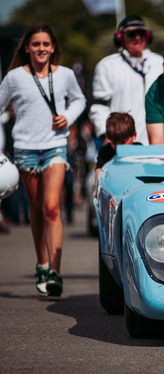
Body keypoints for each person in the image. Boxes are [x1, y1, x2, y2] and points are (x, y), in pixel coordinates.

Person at [0, 22, 86, 296]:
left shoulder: (65, 75)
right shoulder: (14, 77)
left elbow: (79, 101)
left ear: (53, 48)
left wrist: (68, 117)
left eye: (45, 44)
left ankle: (55, 274)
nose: (41, 48)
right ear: (27, 48)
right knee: (36, 211)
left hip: (55, 147)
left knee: (51, 207)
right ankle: (41, 262)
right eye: (35, 44)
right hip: (25, 149)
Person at [89, 15, 163, 145]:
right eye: (132, 34)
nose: (138, 37)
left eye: (141, 33)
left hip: (156, 143)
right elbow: (98, 106)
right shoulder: (107, 66)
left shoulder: (160, 63)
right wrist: (106, 134)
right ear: (119, 37)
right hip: (121, 144)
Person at [94, 112, 138, 194]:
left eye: (123, 142)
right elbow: (98, 177)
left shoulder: (140, 150)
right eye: (114, 143)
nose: (118, 147)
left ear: (134, 135)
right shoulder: (105, 152)